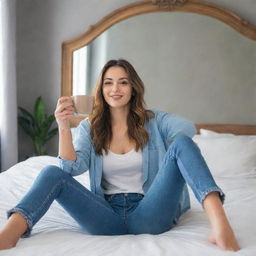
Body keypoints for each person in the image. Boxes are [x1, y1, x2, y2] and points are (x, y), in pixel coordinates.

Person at [0, 59, 240, 251]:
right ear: (101, 89)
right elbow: (70, 170)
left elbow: (186, 128)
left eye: (123, 82)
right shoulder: (89, 127)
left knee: (183, 144)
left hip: (150, 212)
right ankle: (10, 233)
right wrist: (64, 127)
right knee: (51, 172)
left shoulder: (154, 120)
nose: (115, 89)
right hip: (105, 216)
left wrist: (169, 144)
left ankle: (220, 224)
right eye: (108, 82)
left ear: (133, 87)